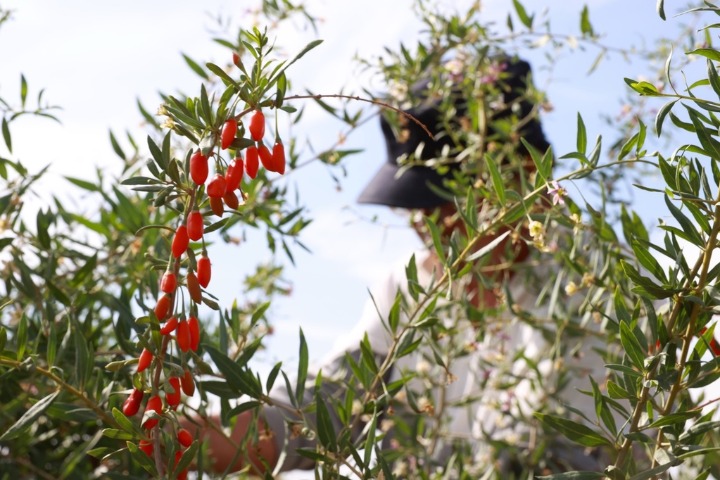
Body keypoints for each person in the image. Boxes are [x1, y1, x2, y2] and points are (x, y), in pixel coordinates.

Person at [190, 54, 613, 477]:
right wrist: (188, 437)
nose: (423, 222)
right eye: (413, 203)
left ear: (521, 173)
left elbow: (565, 461)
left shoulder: (603, 289)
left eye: (440, 200)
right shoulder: (409, 285)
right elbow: (325, 405)